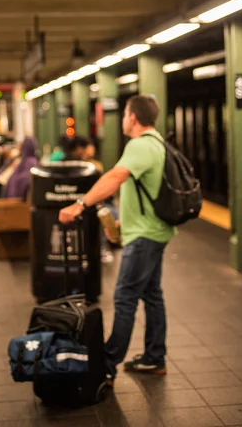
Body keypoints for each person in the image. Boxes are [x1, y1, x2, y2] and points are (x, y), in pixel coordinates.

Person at [59, 95, 175, 384]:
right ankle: (154, 356)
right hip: (154, 229)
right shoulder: (158, 142)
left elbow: (115, 177)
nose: (123, 119)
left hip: (145, 237)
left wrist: (79, 204)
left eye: (124, 114)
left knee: (125, 298)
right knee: (152, 295)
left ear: (133, 118)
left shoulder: (140, 145)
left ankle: (107, 365)